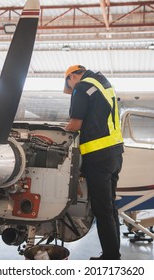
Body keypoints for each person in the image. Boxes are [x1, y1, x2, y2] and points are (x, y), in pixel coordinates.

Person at [63, 65, 124, 260]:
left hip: (97, 157)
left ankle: (111, 257)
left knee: (101, 209)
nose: (72, 89)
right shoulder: (104, 84)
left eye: (70, 85)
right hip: (114, 153)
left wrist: (61, 136)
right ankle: (114, 252)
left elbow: (75, 124)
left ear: (72, 76)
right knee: (109, 206)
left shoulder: (82, 87)